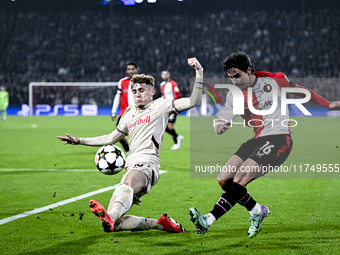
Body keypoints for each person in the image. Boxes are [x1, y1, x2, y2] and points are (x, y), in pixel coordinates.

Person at [188, 52, 340, 238]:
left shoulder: (274, 80)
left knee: (240, 178)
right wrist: (222, 124)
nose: (234, 81)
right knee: (223, 179)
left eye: (237, 76)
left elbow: (301, 91)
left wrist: (328, 104)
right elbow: (225, 117)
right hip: (257, 140)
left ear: (249, 70)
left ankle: (208, 219)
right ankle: (257, 211)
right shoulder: (234, 95)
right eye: (230, 77)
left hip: (279, 139)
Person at [57, 57, 204, 233]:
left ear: (152, 92)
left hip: (148, 164)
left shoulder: (161, 106)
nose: (137, 94)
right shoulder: (128, 114)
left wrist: (199, 72)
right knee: (115, 224)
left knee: (123, 192)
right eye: (134, 91)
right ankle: (160, 224)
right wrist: (79, 141)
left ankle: (110, 215)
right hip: (131, 165)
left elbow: (194, 101)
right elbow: (110, 138)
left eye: (142, 90)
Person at [111, 63, 138, 154]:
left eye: (133, 69)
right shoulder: (122, 82)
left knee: (135, 136)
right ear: (127, 71)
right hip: (124, 114)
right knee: (117, 134)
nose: (131, 71)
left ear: (136, 70)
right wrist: (113, 112)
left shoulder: (140, 82)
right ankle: (128, 150)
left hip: (137, 113)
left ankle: (137, 155)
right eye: (129, 69)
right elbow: (117, 97)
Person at [160, 70, 184, 150]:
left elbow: (178, 94)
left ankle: (176, 142)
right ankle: (178, 137)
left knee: (169, 127)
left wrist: (171, 102)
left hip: (172, 107)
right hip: (165, 108)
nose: (165, 76)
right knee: (164, 127)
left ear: (169, 75)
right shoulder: (162, 84)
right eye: (163, 74)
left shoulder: (173, 84)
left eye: (166, 74)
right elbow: (164, 95)